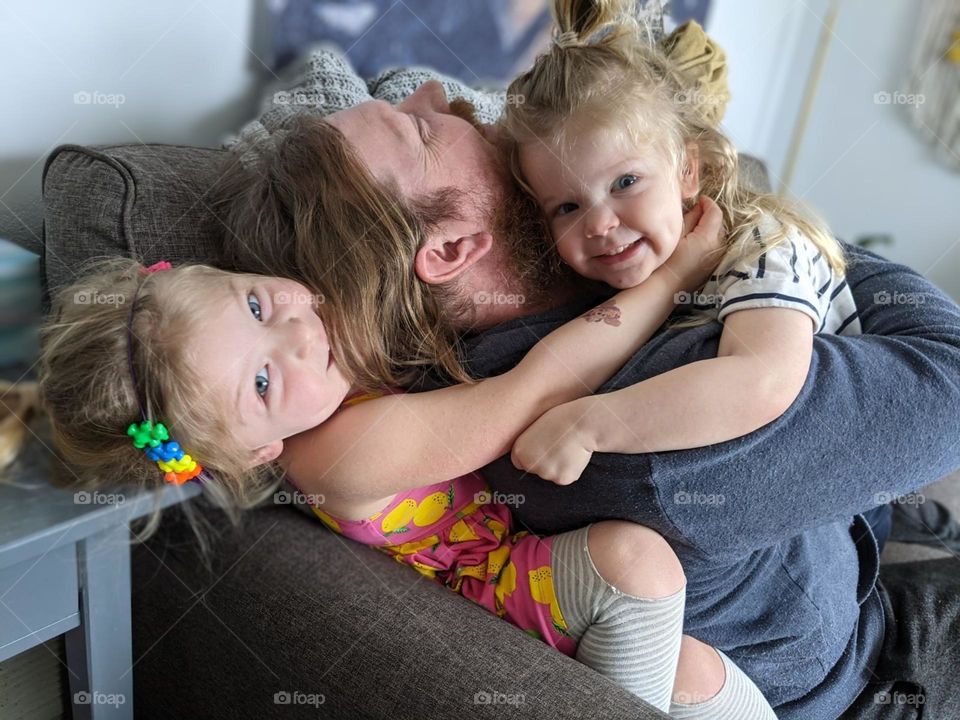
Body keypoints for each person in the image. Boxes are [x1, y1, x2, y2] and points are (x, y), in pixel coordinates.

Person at [211, 4, 960, 718]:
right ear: (449, 250)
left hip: (870, 572)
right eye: (418, 128)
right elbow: (944, 373)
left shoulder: (593, 283)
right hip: (873, 681)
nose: (437, 92)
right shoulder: (644, 421)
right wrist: (755, 247)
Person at [39, 248, 780, 718]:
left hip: (531, 553)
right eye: (262, 381)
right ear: (258, 449)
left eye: (257, 305)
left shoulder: (331, 360)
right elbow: (539, 388)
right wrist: (677, 276)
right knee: (636, 566)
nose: (298, 335)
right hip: (497, 588)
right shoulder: (338, 456)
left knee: (694, 672)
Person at [492, 0, 859, 487]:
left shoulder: (763, 247)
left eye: (625, 182)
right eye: (567, 207)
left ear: (687, 171)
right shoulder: (603, 275)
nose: (599, 224)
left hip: (828, 478)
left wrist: (589, 426)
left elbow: (761, 381)